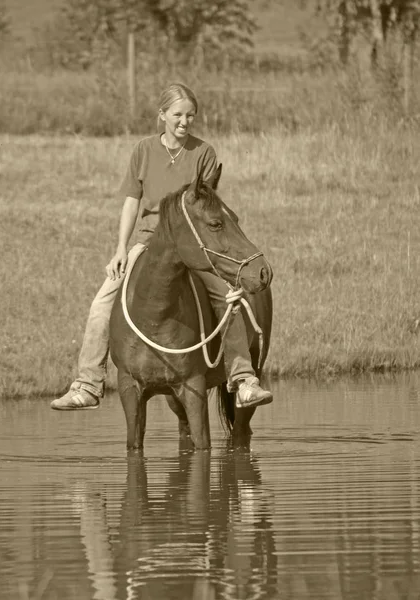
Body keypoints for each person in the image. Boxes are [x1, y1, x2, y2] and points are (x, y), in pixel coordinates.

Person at [51, 82, 273, 411]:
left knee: (228, 302)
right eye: (177, 115)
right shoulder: (143, 151)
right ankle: (88, 383)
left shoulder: (204, 153)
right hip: (148, 244)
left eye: (190, 116)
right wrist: (121, 248)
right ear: (162, 115)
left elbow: (208, 206)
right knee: (101, 304)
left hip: (192, 246)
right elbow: (131, 201)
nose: (184, 121)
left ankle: (243, 380)